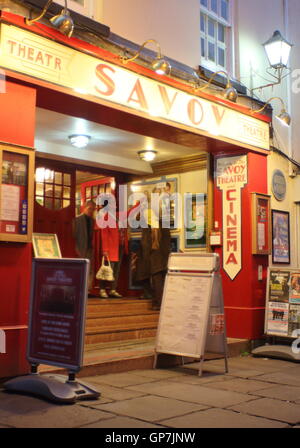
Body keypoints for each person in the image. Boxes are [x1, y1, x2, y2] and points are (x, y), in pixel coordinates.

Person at [135, 188, 171, 310]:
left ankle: (158, 302)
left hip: (154, 249)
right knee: (157, 274)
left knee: (156, 275)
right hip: (161, 249)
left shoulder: (151, 212)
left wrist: (152, 247)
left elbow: (153, 231)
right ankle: (156, 299)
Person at [73, 200, 96, 294]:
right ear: (84, 207)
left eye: (93, 209)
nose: (91, 211)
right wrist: (76, 248)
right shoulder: (77, 219)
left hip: (90, 247)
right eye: (90, 208)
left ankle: (88, 289)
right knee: (80, 268)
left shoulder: (93, 220)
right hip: (80, 247)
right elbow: (73, 235)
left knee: (90, 269)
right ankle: (79, 288)